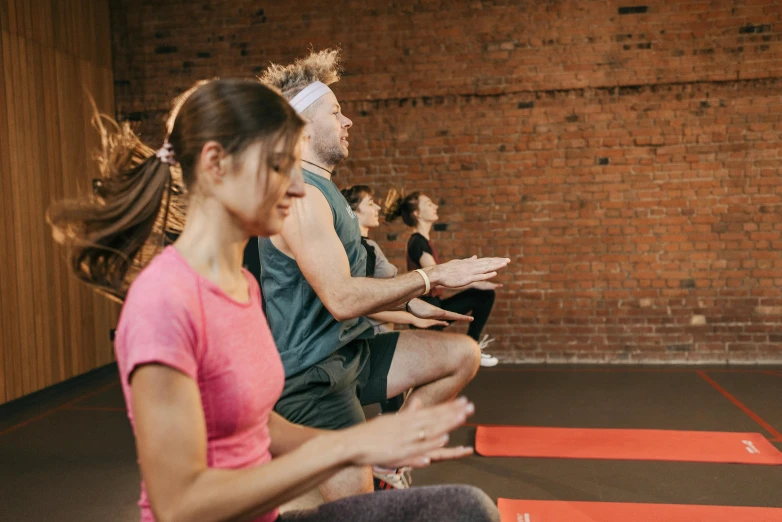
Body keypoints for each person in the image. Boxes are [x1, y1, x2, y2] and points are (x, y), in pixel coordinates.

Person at [47, 79, 500, 522]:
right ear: (217, 165)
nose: (299, 189)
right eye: (280, 167)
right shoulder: (164, 303)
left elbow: (257, 426)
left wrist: (366, 443)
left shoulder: (239, 284)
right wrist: (341, 449)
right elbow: (178, 506)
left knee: (467, 508)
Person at [258, 49, 510, 497]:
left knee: (461, 356)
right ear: (300, 128)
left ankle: (388, 459)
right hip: (312, 378)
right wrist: (433, 279)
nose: (348, 120)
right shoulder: (299, 197)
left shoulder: (326, 191)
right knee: (360, 510)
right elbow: (341, 298)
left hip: (351, 354)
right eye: (335, 112)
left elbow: (361, 279)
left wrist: (416, 306)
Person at [387, 191, 500, 367]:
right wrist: (477, 282)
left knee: (485, 295)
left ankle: (473, 346)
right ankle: (471, 350)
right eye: (429, 204)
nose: (435, 206)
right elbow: (440, 278)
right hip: (426, 310)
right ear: (417, 213)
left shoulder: (423, 240)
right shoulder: (417, 242)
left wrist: (480, 283)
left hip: (436, 304)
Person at [341, 185, 448, 334]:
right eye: (371, 203)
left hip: (382, 330)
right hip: (373, 334)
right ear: (354, 213)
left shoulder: (369, 245)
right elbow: (363, 305)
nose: (378, 207)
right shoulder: (361, 248)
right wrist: (413, 318)